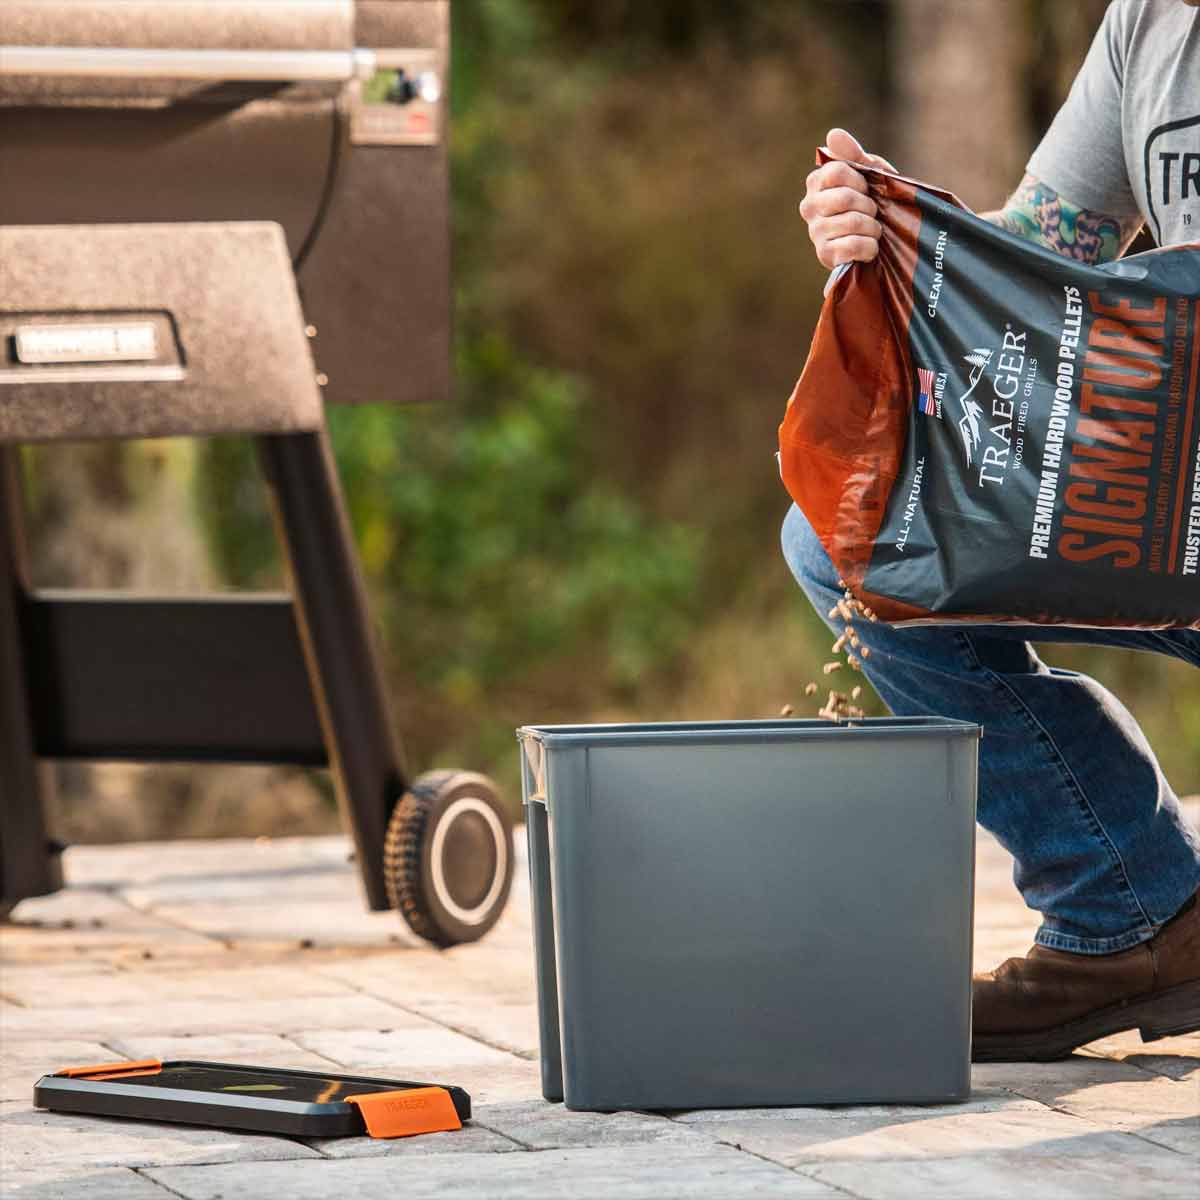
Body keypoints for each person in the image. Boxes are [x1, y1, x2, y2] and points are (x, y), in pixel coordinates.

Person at [790, 0, 1200, 1061]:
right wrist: (898, 238)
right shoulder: (1145, 24)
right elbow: (1034, 264)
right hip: (1176, 507)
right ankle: (1134, 911)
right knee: (856, 536)